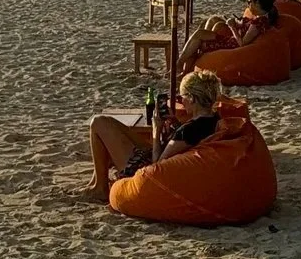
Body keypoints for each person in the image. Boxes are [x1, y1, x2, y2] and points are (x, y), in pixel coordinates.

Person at [88, 69, 226, 201]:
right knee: (111, 124)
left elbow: (156, 168)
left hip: (147, 175)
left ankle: (100, 189)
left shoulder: (187, 131)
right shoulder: (213, 119)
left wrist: (156, 130)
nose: (180, 101)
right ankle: (96, 182)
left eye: (182, 97)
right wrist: (175, 124)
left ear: (192, 98)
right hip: (172, 166)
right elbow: (186, 142)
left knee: (98, 122)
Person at [181, 0, 279, 65]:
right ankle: (180, 65)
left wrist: (232, 27)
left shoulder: (259, 22)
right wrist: (239, 23)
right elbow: (247, 29)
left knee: (198, 41)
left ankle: (179, 66)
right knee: (199, 32)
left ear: (257, 3)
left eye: (249, 2)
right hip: (229, 40)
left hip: (229, 44)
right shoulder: (260, 18)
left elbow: (242, 43)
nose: (247, 5)